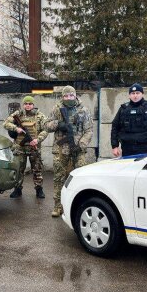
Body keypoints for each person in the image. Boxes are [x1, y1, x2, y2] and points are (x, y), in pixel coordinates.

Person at [45, 86, 93, 217]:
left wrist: (81, 144)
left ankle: (80, 205)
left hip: (78, 150)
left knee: (81, 177)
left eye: (71, 96)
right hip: (60, 149)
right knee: (59, 177)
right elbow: (46, 125)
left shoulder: (83, 110)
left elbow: (89, 130)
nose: (68, 98)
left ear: (75, 95)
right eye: (65, 96)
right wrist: (58, 124)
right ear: (62, 97)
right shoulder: (56, 109)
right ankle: (58, 206)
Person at [3, 95, 48, 199]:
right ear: (23, 105)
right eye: (26, 104)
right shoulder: (18, 114)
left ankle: (39, 189)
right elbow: (5, 123)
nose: (28, 106)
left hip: (34, 147)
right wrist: (15, 128)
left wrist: (38, 139)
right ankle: (17, 189)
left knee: (37, 169)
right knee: (19, 169)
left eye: (30, 104)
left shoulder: (40, 116)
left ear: (33, 105)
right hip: (19, 147)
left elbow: (46, 130)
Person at [111, 83, 147, 158]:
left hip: (143, 148)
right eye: (133, 93)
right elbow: (115, 126)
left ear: (142, 94)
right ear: (129, 95)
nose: (135, 95)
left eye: (137, 93)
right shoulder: (124, 109)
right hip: (126, 148)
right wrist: (114, 146)